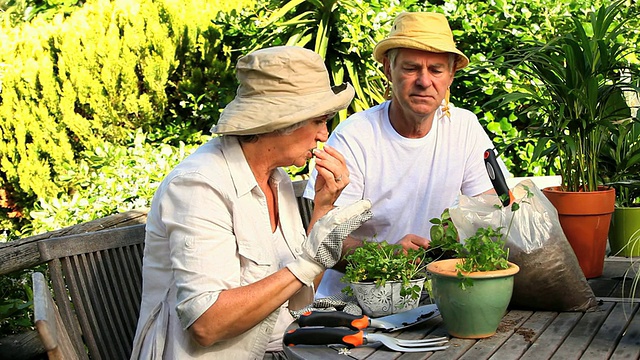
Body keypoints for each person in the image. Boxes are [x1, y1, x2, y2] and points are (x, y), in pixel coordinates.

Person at [130, 46, 372, 359]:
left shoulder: (277, 178)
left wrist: (323, 209)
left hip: (285, 350)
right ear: (280, 121)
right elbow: (206, 326)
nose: (324, 135)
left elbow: (300, 296)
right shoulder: (198, 185)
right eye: (319, 121)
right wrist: (309, 261)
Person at [303, 12, 509, 298]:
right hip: (352, 306)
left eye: (436, 70)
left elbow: (492, 211)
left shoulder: (464, 128)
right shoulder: (355, 137)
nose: (424, 82)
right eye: (411, 68)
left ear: (450, 75)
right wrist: (388, 254)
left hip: (436, 301)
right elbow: (323, 240)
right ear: (389, 69)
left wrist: (470, 225)